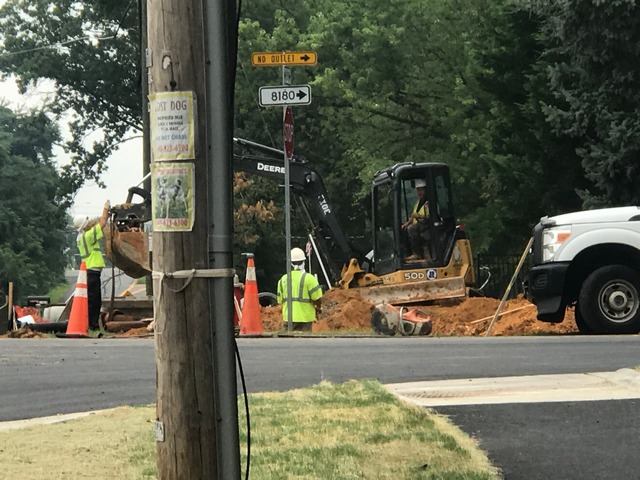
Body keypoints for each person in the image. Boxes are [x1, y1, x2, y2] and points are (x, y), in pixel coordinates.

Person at [73, 200, 111, 330]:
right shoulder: (88, 236)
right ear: (84, 226)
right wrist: (105, 208)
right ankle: (92, 325)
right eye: (87, 222)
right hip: (92, 271)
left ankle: (91, 324)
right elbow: (102, 223)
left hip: (89, 271)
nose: (89, 223)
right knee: (94, 301)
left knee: (92, 300)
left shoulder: (81, 237)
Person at [277, 247, 323, 332]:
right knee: (304, 344)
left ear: (290, 263)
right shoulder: (310, 278)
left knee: (287, 343)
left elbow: (280, 302)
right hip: (306, 318)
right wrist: (318, 308)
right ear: (303, 262)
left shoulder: (283, 279)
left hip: (288, 318)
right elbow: (317, 299)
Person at [401, 179, 431, 261]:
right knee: (404, 229)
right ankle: (406, 253)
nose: (419, 192)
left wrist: (420, 216)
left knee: (411, 229)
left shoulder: (429, 203)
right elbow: (413, 216)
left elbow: (431, 217)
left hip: (426, 226)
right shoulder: (418, 203)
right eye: (418, 190)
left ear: (425, 190)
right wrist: (406, 224)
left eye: (421, 190)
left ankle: (417, 254)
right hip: (419, 226)